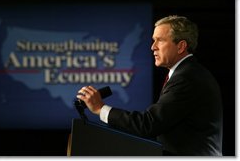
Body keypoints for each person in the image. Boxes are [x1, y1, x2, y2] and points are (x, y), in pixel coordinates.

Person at [76, 15, 223, 156]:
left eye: (160, 40)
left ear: (181, 46)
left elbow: (149, 124)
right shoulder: (186, 73)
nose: (153, 47)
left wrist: (100, 109)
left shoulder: (187, 77)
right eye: (154, 40)